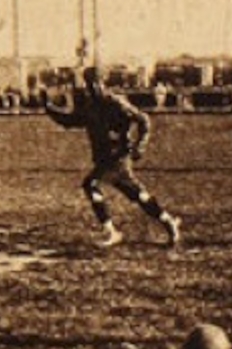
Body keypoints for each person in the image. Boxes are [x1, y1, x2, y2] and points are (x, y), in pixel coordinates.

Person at [42, 66, 181, 248]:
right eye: (89, 84)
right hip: (105, 159)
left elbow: (143, 120)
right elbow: (70, 121)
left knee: (91, 184)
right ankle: (168, 221)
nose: (93, 88)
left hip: (117, 158)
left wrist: (140, 145)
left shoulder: (116, 103)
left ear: (103, 83)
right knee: (139, 195)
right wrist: (50, 108)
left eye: (96, 83)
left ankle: (111, 232)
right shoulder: (91, 106)